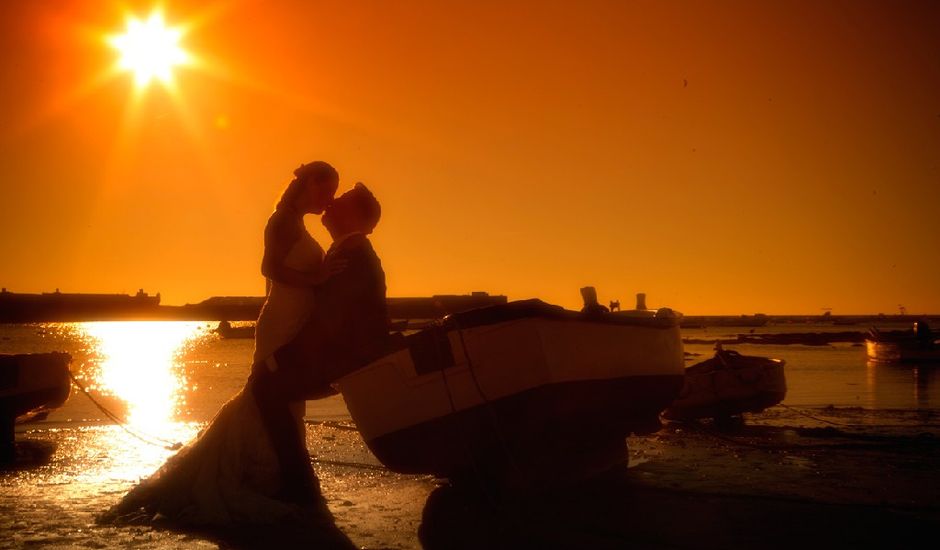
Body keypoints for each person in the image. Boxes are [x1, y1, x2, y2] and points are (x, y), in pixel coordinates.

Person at [99, 163, 355, 546]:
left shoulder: (297, 223)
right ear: (309, 185)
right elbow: (269, 267)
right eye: (327, 190)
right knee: (266, 398)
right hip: (280, 323)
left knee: (277, 404)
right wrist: (318, 278)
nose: (330, 200)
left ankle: (275, 479)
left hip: (295, 322)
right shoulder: (282, 220)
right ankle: (270, 480)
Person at [250, 182, 389, 503]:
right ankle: (289, 477)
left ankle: (296, 483)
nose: (331, 202)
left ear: (355, 215)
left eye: (340, 200)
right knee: (268, 388)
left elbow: (328, 323)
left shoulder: (353, 256)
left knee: (265, 390)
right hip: (340, 354)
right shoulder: (347, 252)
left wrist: (281, 358)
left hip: (341, 359)